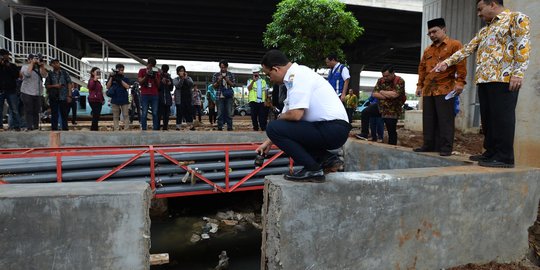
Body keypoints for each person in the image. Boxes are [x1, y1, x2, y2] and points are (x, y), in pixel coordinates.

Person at [432, 0, 530, 168]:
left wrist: (518, 74)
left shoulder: (516, 18)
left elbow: (522, 46)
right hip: (484, 79)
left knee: (502, 118)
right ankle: (491, 152)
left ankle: (505, 157)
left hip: (504, 78)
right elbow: (468, 48)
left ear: (492, 4)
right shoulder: (485, 30)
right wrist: (447, 63)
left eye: (480, 9)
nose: (478, 13)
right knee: (488, 119)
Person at [256, 50, 351, 183]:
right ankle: (328, 159)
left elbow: (295, 115)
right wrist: (269, 141)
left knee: (273, 127)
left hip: (332, 128)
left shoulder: (298, 76)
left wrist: (277, 125)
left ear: (276, 69)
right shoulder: (294, 77)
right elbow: (288, 114)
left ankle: (312, 169)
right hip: (331, 129)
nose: (270, 79)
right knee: (276, 129)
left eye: (269, 74)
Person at [414, 18, 467, 156]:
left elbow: (461, 65)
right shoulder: (427, 50)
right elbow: (422, 69)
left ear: (444, 30)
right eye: (429, 33)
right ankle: (429, 145)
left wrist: (460, 82)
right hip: (428, 89)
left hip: (446, 88)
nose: (432, 35)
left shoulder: (455, 45)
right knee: (429, 119)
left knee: (445, 119)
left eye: (434, 31)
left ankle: (445, 147)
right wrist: (419, 85)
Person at [371, 64, 405, 145]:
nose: (385, 78)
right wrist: (388, 96)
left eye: (387, 76)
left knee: (391, 129)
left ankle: (392, 146)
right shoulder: (380, 80)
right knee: (366, 113)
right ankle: (365, 134)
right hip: (381, 107)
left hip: (393, 109)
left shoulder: (399, 81)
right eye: (383, 76)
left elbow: (395, 95)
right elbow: (374, 94)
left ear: (393, 73)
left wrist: (382, 92)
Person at [20, 53, 48, 131]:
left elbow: (45, 75)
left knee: (36, 110)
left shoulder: (39, 68)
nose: (35, 60)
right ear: (29, 60)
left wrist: (42, 66)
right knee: (28, 110)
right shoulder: (25, 67)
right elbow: (27, 74)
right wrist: (32, 63)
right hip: (27, 92)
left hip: (37, 93)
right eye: (32, 59)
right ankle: (29, 126)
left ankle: (35, 127)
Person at [45, 58, 73, 131]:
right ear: (51, 65)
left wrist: (69, 95)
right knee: (54, 114)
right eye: (54, 63)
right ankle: (54, 128)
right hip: (53, 97)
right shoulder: (50, 74)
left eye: (57, 63)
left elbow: (69, 83)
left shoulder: (64, 73)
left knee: (64, 113)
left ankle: (65, 128)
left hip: (63, 96)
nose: (56, 64)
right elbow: (47, 86)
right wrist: (55, 86)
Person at [0, 49, 22, 131]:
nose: (4, 57)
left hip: (11, 90)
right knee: (0, 109)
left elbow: (16, 76)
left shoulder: (12, 66)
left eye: (6, 55)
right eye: (2, 55)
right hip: (1, 90)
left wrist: (8, 66)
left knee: (14, 109)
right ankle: (0, 126)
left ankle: (17, 126)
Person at [138, 57, 161, 131]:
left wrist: (154, 77)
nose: (151, 67)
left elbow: (159, 85)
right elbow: (140, 82)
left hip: (154, 94)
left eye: (152, 66)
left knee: (155, 112)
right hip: (145, 94)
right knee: (144, 112)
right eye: (150, 65)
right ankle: (144, 128)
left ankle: (155, 128)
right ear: (147, 64)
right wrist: (147, 75)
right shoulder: (142, 71)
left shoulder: (156, 72)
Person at [212, 60, 236, 131]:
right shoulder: (216, 75)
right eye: (221, 67)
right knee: (220, 113)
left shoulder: (231, 74)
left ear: (227, 67)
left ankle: (229, 127)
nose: (223, 69)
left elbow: (234, 85)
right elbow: (214, 86)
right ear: (220, 67)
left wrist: (228, 80)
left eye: (224, 67)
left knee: (229, 112)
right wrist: (218, 81)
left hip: (228, 96)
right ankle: (220, 127)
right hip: (219, 96)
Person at [107, 64, 131, 131]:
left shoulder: (125, 78)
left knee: (126, 115)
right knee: (115, 116)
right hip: (115, 99)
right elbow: (107, 87)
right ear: (117, 70)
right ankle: (116, 129)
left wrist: (119, 80)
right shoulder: (113, 78)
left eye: (123, 70)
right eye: (120, 70)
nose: (122, 72)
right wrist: (111, 77)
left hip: (124, 99)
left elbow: (127, 86)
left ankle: (126, 129)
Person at [172, 66, 195, 131]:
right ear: (178, 72)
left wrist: (185, 78)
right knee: (179, 112)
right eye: (180, 71)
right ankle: (178, 126)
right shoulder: (175, 79)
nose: (182, 72)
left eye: (183, 70)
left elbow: (191, 84)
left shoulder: (188, 78)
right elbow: (178, 86)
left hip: (188, 98)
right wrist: (182, 79)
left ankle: (190, 125)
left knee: (189, 112)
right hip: (180, 98)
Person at [246, 66, 269, 131]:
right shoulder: (250, 81)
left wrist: (265, 100)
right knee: (254, 116)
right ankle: (255, 128)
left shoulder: (263, 81)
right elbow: (249, 89)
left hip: (261, 101)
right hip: (253, 101)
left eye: (256, 72)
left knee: (262, 116)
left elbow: (265, 91)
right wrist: (253, 81)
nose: (255, 74)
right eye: (254, 72)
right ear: (252, 73)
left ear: (258, 73)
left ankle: (263, 128)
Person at [158, 64, 173, 130]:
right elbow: (157, 87)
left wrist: (170, 83)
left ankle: (164, 127)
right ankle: (160, 127)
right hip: (161, 98)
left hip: (166, 98)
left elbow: (171, 88)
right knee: (161, 114)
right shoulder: (159, 76)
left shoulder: (169, 77)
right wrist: (161, 82)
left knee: (166, 114)